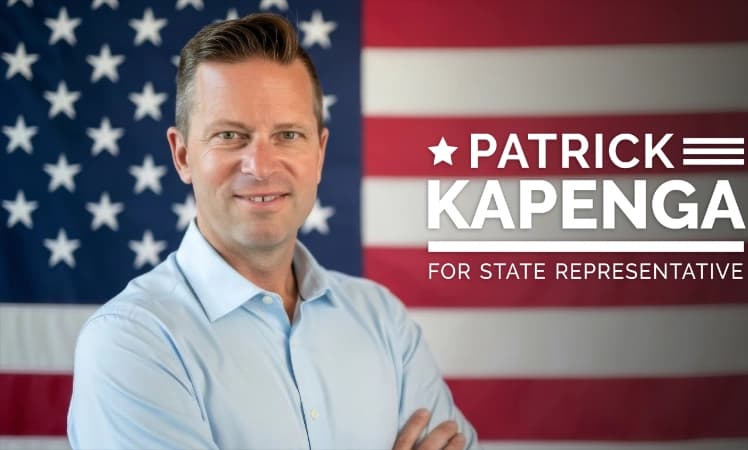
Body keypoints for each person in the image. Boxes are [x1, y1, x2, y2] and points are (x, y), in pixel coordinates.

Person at [66, 12, 478, 450]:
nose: (261, 167)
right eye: (229, 135)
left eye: (288, 135)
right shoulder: (132, 341)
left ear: (319, 154)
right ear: (183, 155)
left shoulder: (382, 321)